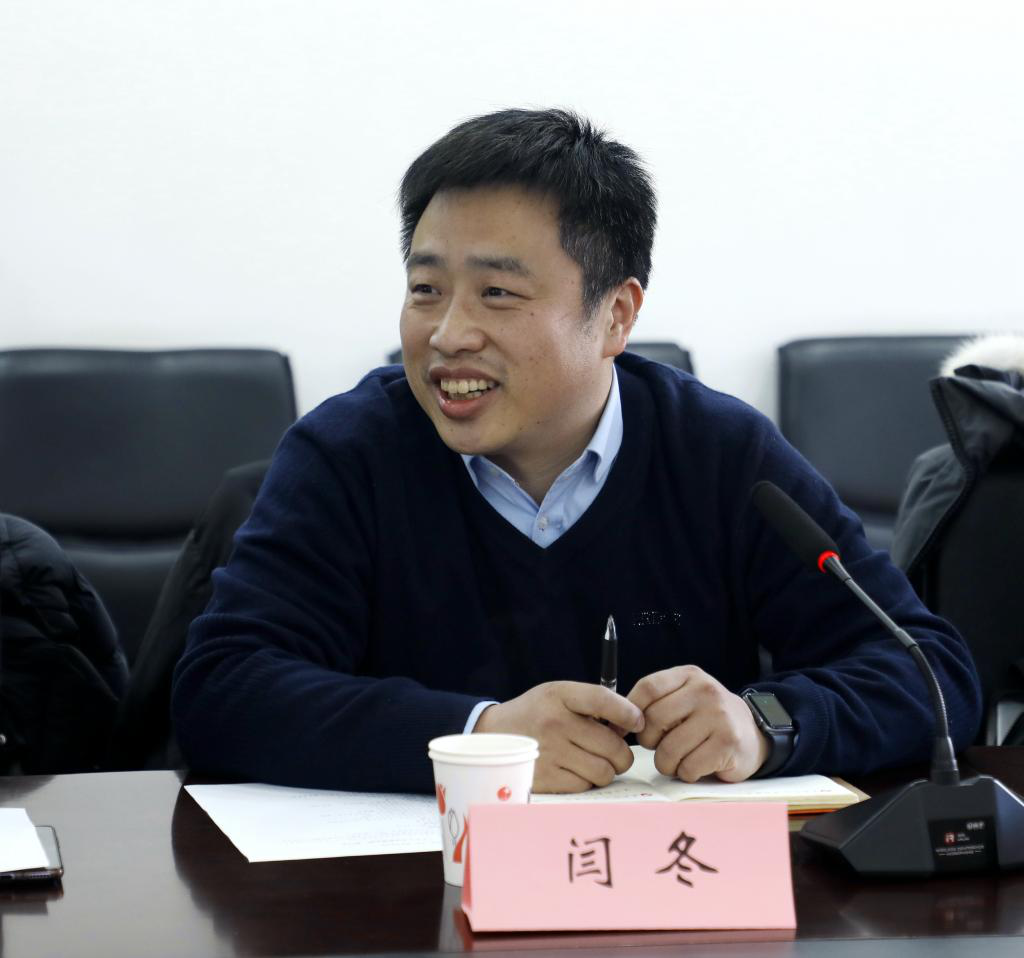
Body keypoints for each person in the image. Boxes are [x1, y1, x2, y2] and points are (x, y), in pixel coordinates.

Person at [171, 108, 981, 794]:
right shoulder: (348, 453)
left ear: (616, 316)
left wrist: (767, 723)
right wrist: (481, 736)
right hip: (408, 893)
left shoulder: (719, 453)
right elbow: (222, 688)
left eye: (498, 293)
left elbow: (931, 672)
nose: (448, 334)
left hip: (667, 892)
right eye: (426, 289)